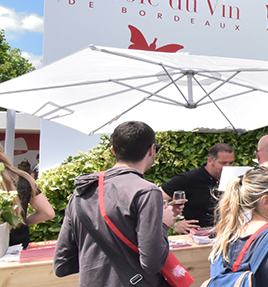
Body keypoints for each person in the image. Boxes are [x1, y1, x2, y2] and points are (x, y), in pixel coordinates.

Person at [54, 121, 178, 286]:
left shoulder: (81, 191)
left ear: (113, 150)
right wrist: (163, 224)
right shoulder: (147, 192)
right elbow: (152, 264)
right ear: (151, 150)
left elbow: (62, 264)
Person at [160, 143, 235, 229]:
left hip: (229, 236)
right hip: (197, 237)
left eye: (231, 163)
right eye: (223, 163)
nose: (228, 167)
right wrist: (174, 224)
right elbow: (154, 199)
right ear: (210, 161)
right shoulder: (188, 178)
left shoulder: (235, 178)